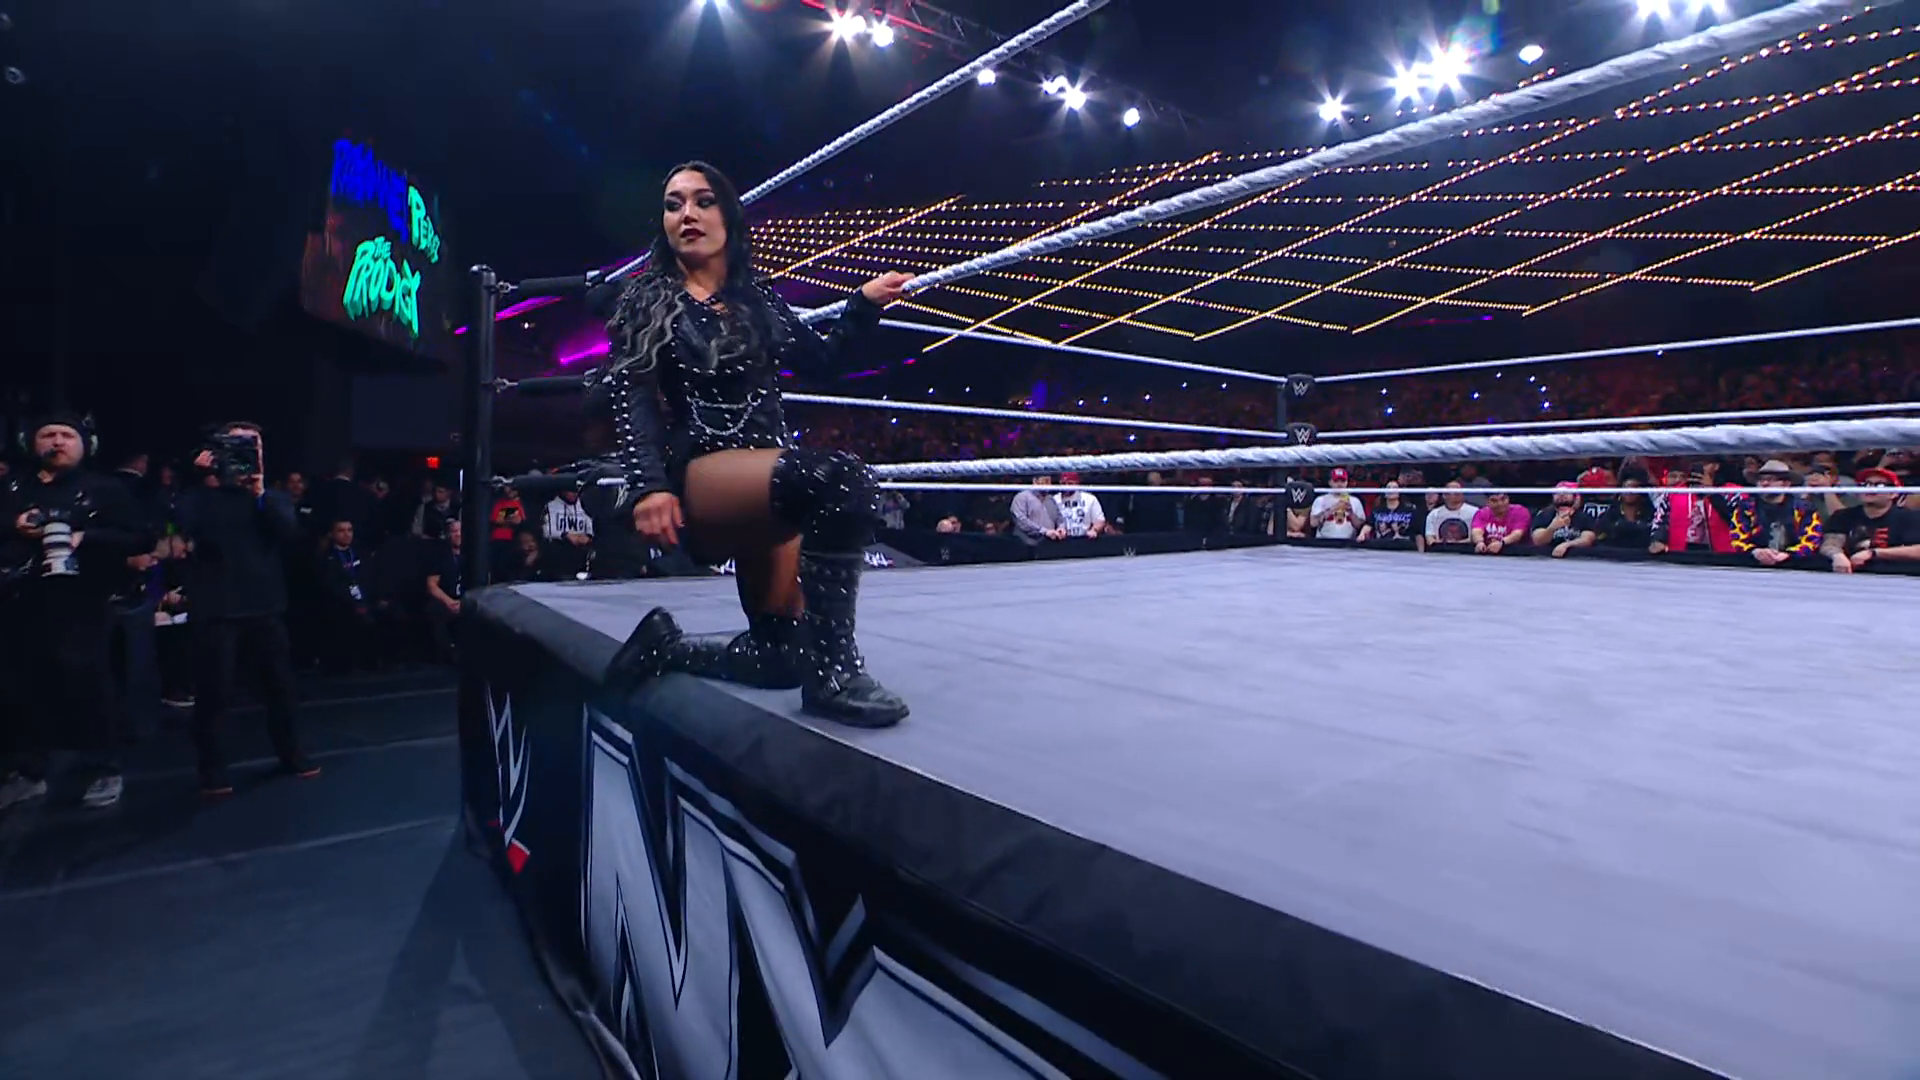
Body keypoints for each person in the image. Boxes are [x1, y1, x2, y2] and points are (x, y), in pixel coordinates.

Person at [595, 161, 915, 728]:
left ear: (728, 215)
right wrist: (648, 486)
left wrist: (862, 306)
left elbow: (824, 363)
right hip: (706, 474)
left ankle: (665, 646)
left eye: (702, 201)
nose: (687, 214)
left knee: (779, 655)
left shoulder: (756, 298)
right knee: (843, 479)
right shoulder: (648, 296)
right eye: (673, 204)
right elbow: (631, 394)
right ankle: (835, 675)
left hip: (773, 478)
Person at [0, 414, 149, 810]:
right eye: (48, 434)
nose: (58, 442)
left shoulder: (105, 489)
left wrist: (87, 537)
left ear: (86, 444)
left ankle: (102, 768)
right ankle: (27, 772)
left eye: (67, 435)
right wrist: (13, 524)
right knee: (20, 691)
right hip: (20, 603)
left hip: (83, 604)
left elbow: (141, 537)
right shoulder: (12, 488)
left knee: (89, 687)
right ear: (30, 443)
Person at [175, 422, 318, 796]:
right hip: (216, 608)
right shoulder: (197, 497)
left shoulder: (271, 497)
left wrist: (258, 492)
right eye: (235, 445)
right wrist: (203, 477)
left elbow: (290, 534)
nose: (244, 452)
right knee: (214, 694)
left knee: (280, 688)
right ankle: (211, 767)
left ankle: (291, 753)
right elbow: (180, 526)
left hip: (264, 605)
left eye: (251, 445)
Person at [1819, 466, 1920, 572]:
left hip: (1892, 574)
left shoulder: (1909, 517)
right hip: (1849, 572)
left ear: (1893, 493)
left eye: (1879, 485)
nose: (1870, 488)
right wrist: (1837, 556)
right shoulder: (1843, 515)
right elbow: (1830, 543)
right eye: (1865, 484)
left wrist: (1874, 553)